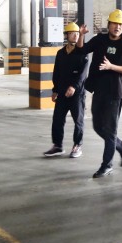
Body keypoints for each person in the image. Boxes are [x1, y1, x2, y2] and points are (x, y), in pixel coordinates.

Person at [77, 9, 122, 178]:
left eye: (120, 24)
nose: (118, 27)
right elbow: (82, 49)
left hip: (115, 92)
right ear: (109, 25)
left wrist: (111, 67)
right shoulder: (100, 40)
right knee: (97, 126)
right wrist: (81, 35)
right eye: (115, 23)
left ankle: (107, 165)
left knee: (110, 130)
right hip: (99, 90)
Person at [43, 22, 90, 158]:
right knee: (57, 120)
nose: (75, 36)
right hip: (62, 93)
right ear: (66, 35)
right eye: (72, 33)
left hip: (77, 94)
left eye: (77, 34)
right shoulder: (61, 53)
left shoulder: (82, 53)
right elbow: (57, 72)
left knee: (78, 120)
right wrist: (55, 90)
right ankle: (58, 146)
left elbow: (83, 74)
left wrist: (74, 87)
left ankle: (77, 145)